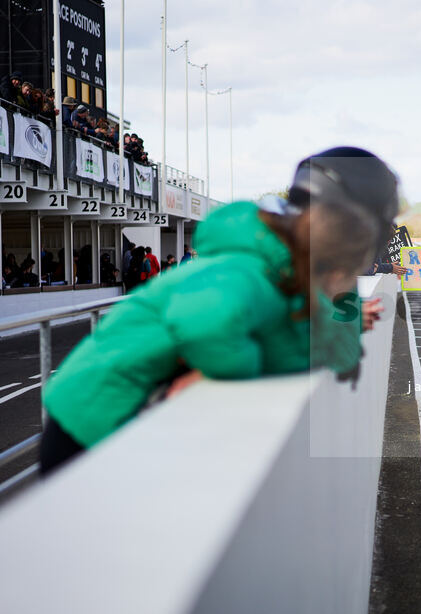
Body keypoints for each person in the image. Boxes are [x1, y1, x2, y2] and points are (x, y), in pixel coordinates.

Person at [39, 147, 400, 474]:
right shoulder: (249, 267)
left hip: (114, 411)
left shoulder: (288, 267)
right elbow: (206, 325)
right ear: (345, 228)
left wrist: (341, 321)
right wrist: (236, 371)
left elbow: (319, 344)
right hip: (93, 416)